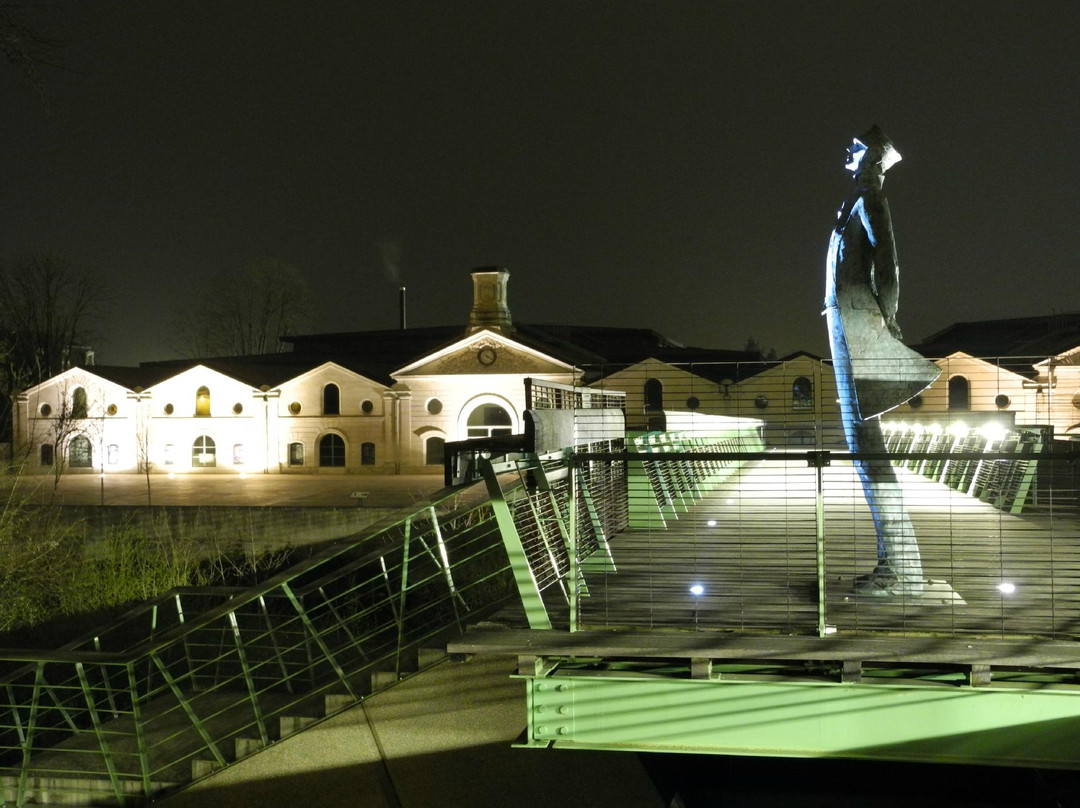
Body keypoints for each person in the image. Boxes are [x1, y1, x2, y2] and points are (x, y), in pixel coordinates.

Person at [824, 125, 940, 596]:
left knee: (865, 443)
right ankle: (898, 563)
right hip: (847, 318)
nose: (848, 151)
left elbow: (888, 261)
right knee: (862, 443)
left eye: (857, 148)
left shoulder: (871, 197)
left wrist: (887, 319)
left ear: (873, 160)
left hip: (858, 319)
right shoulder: (856, 200)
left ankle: (901, 568)